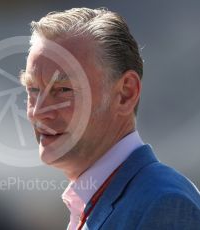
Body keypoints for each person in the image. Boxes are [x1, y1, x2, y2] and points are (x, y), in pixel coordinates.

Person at [20, 7, 200, 229]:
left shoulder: (163, 204)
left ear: (125, 94)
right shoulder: (94, 204)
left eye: (64, 89)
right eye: (33, 89)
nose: (38, 111)